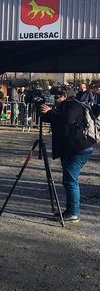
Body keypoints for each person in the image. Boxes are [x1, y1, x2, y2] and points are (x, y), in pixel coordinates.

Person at [40, 85, 94, 223]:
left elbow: (68, 119)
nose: (54, 100)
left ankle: (74, 213)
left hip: (79, 149)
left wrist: (51, 112)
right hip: (69, 149)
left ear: (64, 95)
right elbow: (53, 119)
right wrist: (43, 110)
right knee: (68, 180)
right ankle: (70, 210)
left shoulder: (73, 105)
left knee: (70, 181)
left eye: (56, 97)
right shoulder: (61, 107)